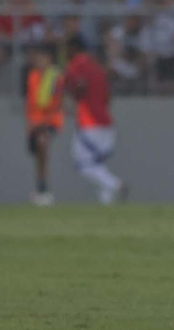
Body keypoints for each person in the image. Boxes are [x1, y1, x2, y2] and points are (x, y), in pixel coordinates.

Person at [61, 35, 124, 205]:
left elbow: (78, 85)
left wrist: (71, 95)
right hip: (106, 120)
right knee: (96, 164)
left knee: (83, 164)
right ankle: (106, 203)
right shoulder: (96, 66)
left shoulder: (76, 65)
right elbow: (107, 96)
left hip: (90, 121)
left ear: (72, 49)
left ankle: (115, 184)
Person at [24, 44, 65, 205]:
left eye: (43, 59)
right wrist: (30, 122)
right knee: (37, 153)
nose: (40, 61)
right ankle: (40, 187)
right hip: (34, 122)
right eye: (38, 58)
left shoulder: (56, 77)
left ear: (50, 60)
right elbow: (30, 103)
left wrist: (39, 123)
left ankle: (44, 188)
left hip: (50, 120)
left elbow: (56, 104)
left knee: (42, 143)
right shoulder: (32, 76)